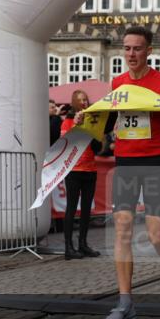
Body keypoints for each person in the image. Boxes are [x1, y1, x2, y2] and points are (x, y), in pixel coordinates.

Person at [75, 26, 160, 319]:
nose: (131, 54)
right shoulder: (118, 83)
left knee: (155, 235)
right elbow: (108, 120)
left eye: (137, 48)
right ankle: (125, 303)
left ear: (149, 51)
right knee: (122, 227)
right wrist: (84, 119)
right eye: (126, 48)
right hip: (124, 162)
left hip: (154, 163)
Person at [60, 89, 101, 260]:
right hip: (74, 171)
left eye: (85, 99)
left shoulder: (91, 121)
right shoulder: (68, 121)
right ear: (74, 102)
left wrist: (96, 135)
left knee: (86, 209)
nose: (84, 102)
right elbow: (66, 144)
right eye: (80, 100)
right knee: (71, 208)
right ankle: (68, 247)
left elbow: (98, 148)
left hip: (90, 170)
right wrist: (78, 126)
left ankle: (83, 244)